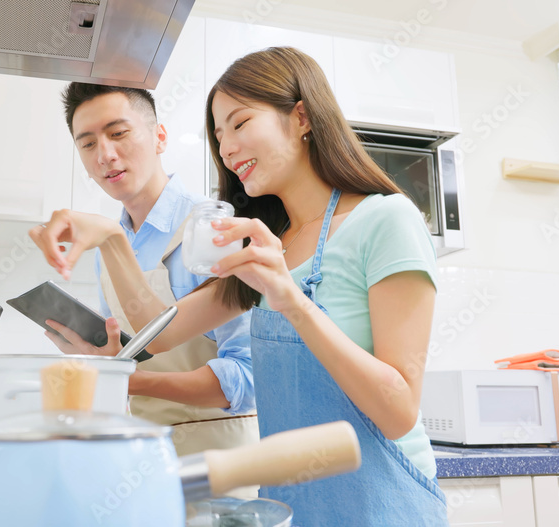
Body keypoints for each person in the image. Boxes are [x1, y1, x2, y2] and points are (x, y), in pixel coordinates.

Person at [32, 48, 449, 524]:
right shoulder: (268, 239)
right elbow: (160, 330)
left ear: (302, 117)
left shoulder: (386, 219)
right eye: (218, 133)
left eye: (239, 123)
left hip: (378, 499)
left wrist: (290, 299)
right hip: (289, 504)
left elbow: (398, 413)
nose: (226, 147)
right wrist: (110, 238)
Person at [31, 83, 259, 459]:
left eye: (119, 133)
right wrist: (103, 363)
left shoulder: (213, 227)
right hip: (142, 454)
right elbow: (125, 362)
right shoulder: (105, 249)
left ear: (159, 137)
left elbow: (248, 380)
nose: (105, 154)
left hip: (222, 459)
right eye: (87, 144)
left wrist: (127, 380)